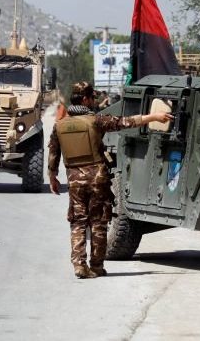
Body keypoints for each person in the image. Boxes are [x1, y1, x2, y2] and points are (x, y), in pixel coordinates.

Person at [48, 81, 173, 279]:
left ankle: (79, 265)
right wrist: (154, 117)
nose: (93, 101)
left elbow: (53, 153)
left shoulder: (59, 126)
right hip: (97, 179)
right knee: (98, 222)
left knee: (78, 222)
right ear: (85, 99)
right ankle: (96, 266)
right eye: (92, 98)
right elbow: (126, 122)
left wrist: (52, 177)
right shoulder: (96, 121)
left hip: (74, 181)